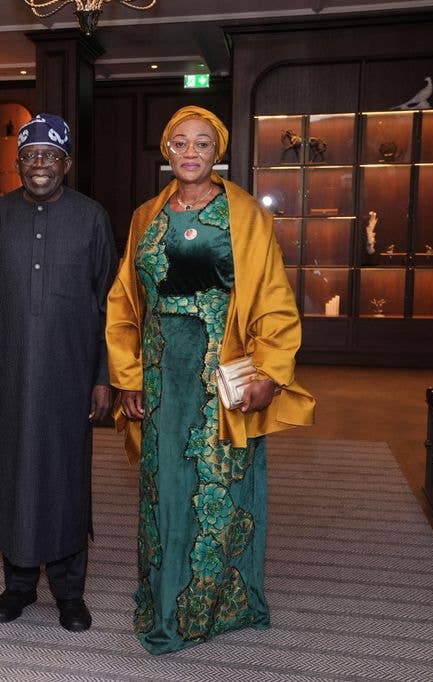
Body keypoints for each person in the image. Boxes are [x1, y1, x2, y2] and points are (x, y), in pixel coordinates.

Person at [105, 106, 316, 654]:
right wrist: (128, 377)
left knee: (217, 491)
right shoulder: (145, 216)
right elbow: (126, 301)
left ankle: (212, 605)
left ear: (216, 151)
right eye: (181, 142)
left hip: (219, 378)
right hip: (158, 376)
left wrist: (270, 370)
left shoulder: (244, 213)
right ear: (166, 151)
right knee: (164, 490)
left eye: (202, 143)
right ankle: (162, 597)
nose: (191, 152)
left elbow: (272, 297)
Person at [0, 114, 116, 632]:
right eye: (31, 156)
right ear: (18, 163)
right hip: (8, 375)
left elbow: (109, 306)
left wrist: (104, 376)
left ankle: (70, 592)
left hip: (72, 377)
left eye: (51, 156)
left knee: (68, 478)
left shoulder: (92, 218)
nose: (40, 165)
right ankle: (19, 586)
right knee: (15, 477)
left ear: (66, 164)